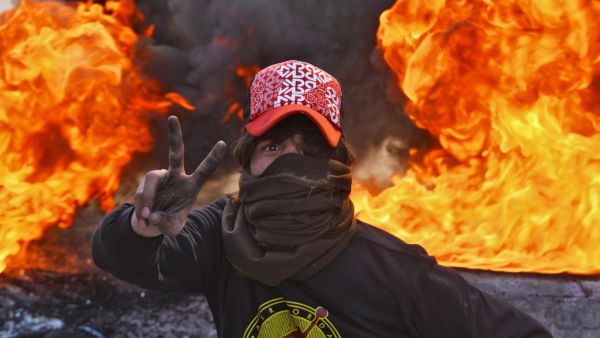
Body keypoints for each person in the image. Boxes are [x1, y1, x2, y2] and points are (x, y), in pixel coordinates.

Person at [92, 60, 552, 337]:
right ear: (247, 158)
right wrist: (144, 225)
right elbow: (121, 256)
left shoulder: (393, 271)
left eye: (308, 150)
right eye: (273, 147)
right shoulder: (218, 236)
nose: (290, 164)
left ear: (336, 161)